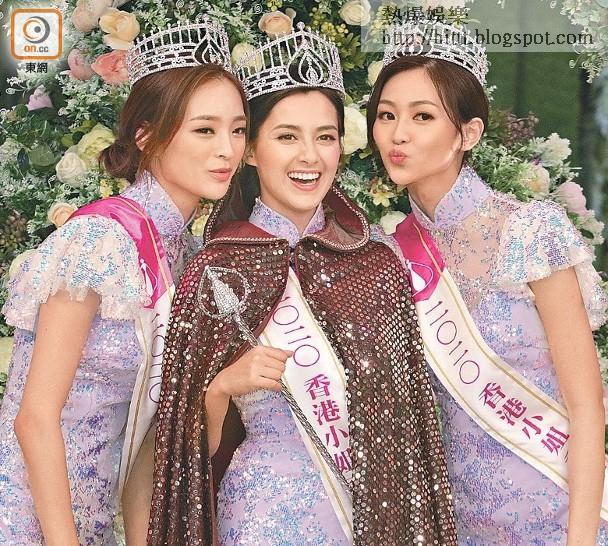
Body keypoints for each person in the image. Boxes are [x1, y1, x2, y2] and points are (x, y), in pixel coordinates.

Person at [148, 23, 457, 546]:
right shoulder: (215, 270)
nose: (309, 157)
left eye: (325, 137)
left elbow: (412, 434)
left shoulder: (377, 265)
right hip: (261, 518)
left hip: (369, 522)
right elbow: (179, 457)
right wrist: (222, 386)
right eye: (287, 136)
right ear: (250, 150)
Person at [0, 18, 247, 546]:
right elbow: (34, 417)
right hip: (27, 515)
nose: (227, 149)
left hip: (97, 517)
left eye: (238, 129)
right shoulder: (99, 239)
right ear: (147, 135)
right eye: (205, 130)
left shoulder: (187, 254)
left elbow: (151, 431)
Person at [368, 18, 608, 545]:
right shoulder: (390, 253)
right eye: (386, 115)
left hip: (557, 516)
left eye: (422, 116)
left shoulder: (531, 231)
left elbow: (589, 409)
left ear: (468, 134)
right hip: (458, 525)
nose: (398, 134)